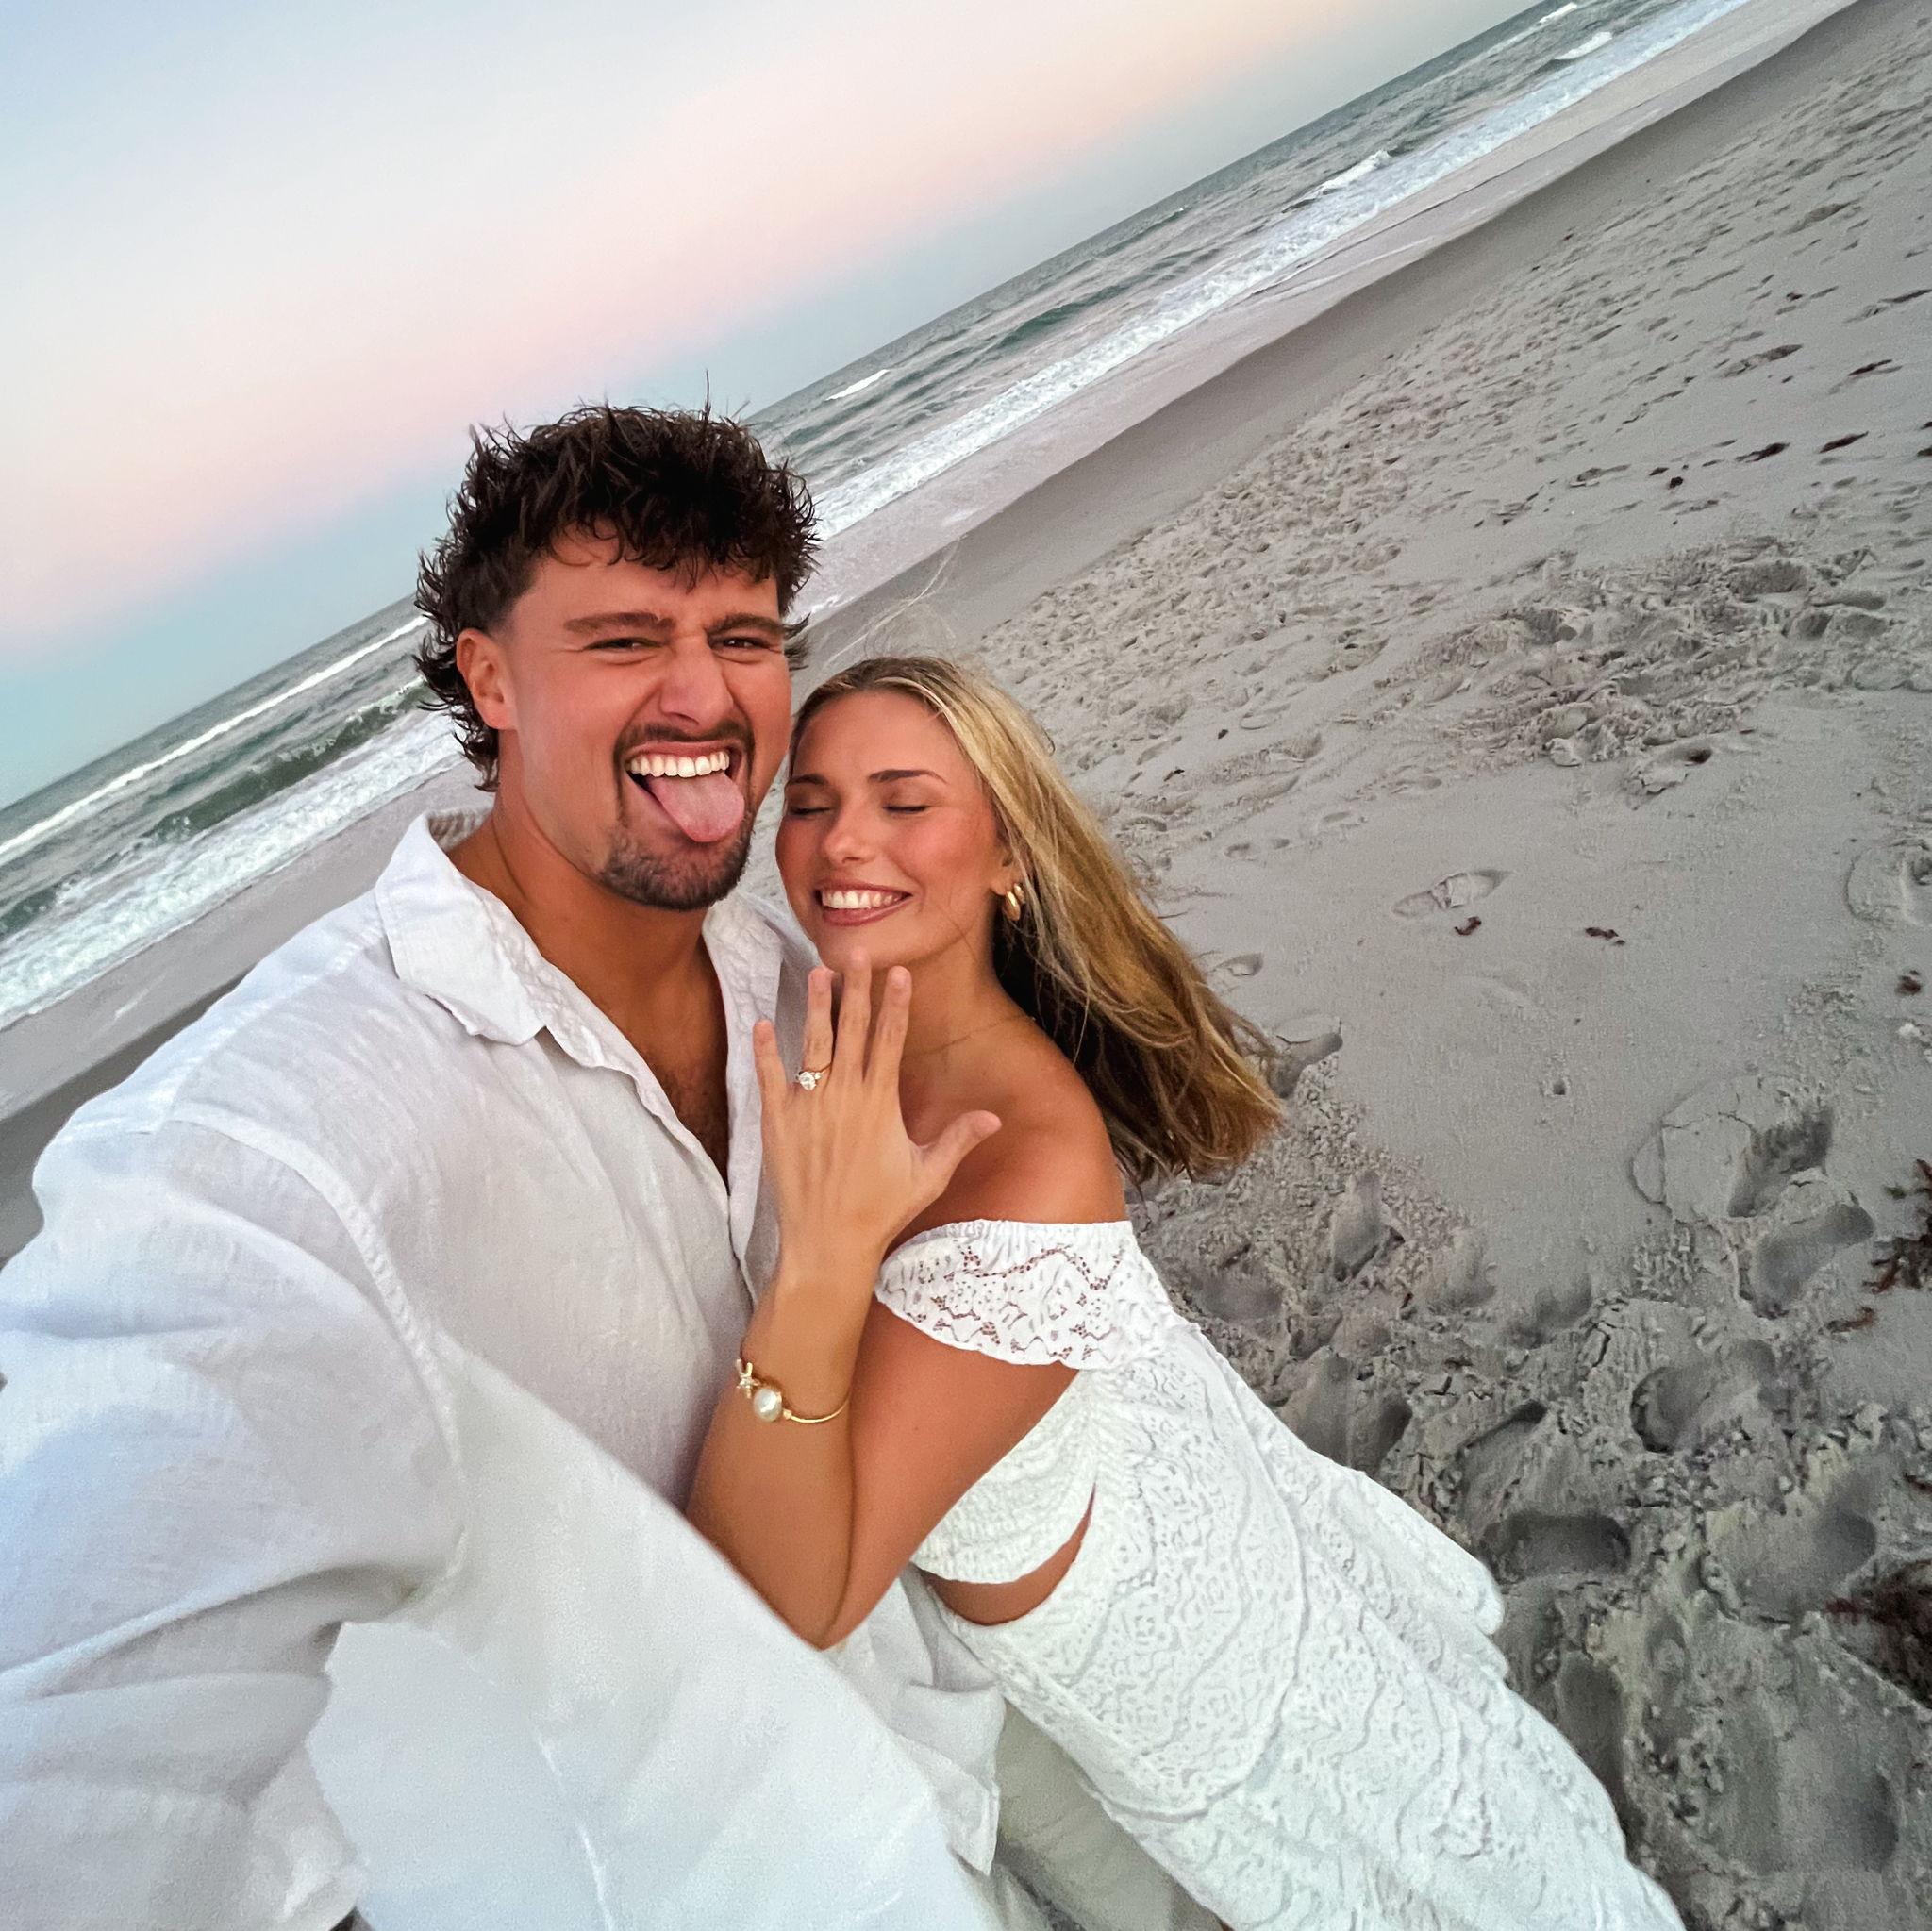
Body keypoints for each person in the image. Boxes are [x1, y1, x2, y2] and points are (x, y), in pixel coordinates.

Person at [0, 408, 1213, 1931]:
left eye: (744, 636)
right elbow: (72, 1693)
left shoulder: (789, 970)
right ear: (490, 677)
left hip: (962, 1711)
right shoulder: (279, 1135)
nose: (704, 693)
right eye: (627, 639)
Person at [685, 655, 1688, 1931]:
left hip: (1181, 1665)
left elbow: (798, 1599)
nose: (840, 842)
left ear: (1007, 856)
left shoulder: (1024, 1173)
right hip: (1163, 1508)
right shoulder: (876, 1041)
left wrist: (824, 1261)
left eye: (903, 801)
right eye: (812, 802)